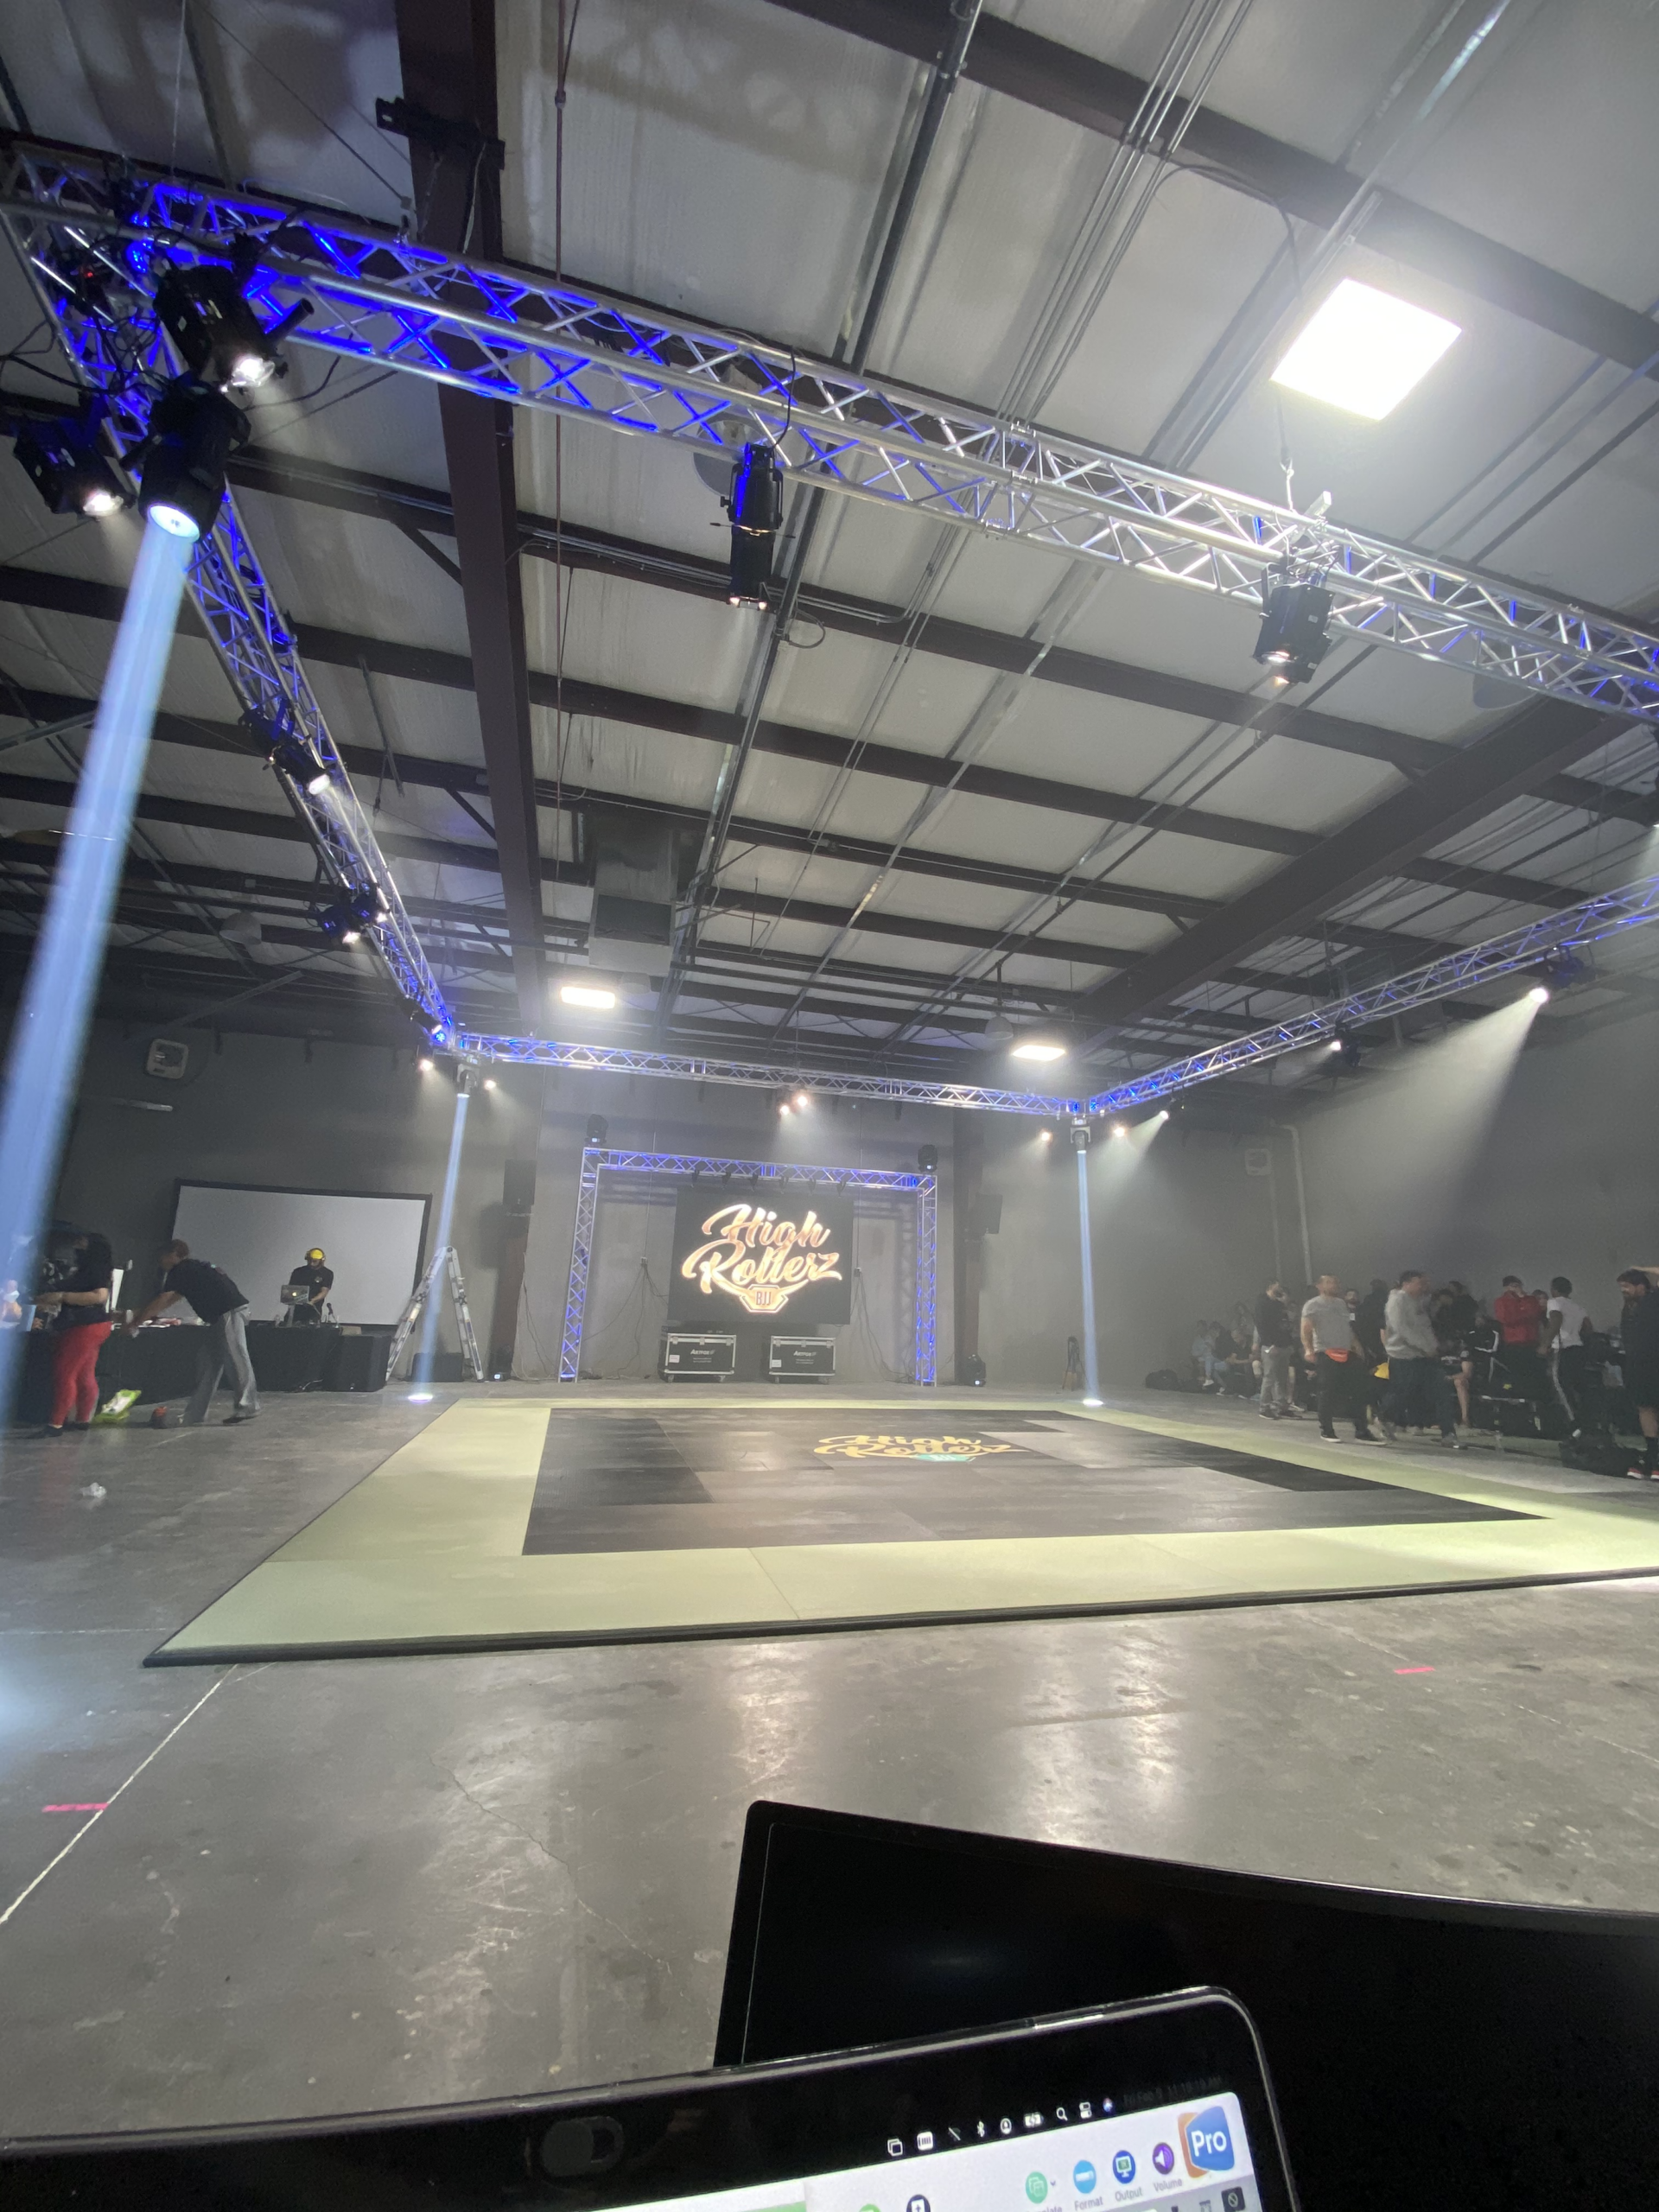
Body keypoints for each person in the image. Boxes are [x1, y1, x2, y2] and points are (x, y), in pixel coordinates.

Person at [124, 1240, 259, 1427]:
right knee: (209, 1363)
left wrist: (136, 1323)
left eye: (162, 1256)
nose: (160, 1261)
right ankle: (195, 1414)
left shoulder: (181, 1270)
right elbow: (170, 1300)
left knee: (235, 1356)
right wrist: (140, 1315)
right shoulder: (192, 1269)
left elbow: (163, 1299)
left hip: (229, 1311)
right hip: (221, 1316)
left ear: (173, 1254)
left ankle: (248, 1405)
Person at [34, 1230, 114, 1434]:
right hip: (95, 1325)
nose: (76, 1246)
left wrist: (62, 1296)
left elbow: (99, 1296)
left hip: (84, 1326)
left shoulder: (93, 1270)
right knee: (84, 1373)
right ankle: (82, 1419)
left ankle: (56, 1423)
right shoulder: (96, 1269)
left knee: (65, 1372)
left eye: (81, 1243)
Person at [1380, 1268, 1462, 1449]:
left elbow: (1425, 1327)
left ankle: (1448, 1433)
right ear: (1407, 1283)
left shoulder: (1419, 1302)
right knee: (1401, 1393)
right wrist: (1426, 1347)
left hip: (1425, 1356)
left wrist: (1433, 1347)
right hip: (1403, 1356)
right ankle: (1385, 1418)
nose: (1425, 1286)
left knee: (1441, 1391)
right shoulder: (1396, 1301)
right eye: (1421, 1283)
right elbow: (1402, 1329)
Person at [1301, 1273, 1380, 1443]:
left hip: (1346, 1351)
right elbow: (1306, 1328)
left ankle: (1361, 1430)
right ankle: (1327, 1430)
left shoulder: (1341, 1304)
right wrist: (1308, 1349)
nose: (1334, 1285)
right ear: (1320, 1286)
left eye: (1336, 1282)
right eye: (1329, 1282)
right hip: (1325, 1351)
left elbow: (1347, 1328)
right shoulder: (1312, 1305)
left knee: (1358, 1390)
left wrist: (1357, 1347)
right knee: (1327, 1392)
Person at [1615, 1268, 1659, 1480]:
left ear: (1641, 1286)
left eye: (1627, 1286)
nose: (1623, 1290)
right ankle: (1653, 1455)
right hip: (1637, 1365)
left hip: (1655, 1362)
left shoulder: (1654, 1299)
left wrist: (1643, 1268)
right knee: (1644, 1407)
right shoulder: (1629, 1308)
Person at [1542, 1275, 1592, 1430]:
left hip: (1562, 1348)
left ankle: (1573, 1422)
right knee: (1576, 1385)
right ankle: (1585, 1419)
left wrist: (1545, 1344)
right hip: (1577, 1348)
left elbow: (1555, 1321)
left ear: (1554, 1289)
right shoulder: (1578, 1307)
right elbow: (1588, 1328)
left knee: (1560, 1385)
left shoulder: (1554, 1302)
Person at [1493, 1274, 1548, 1400]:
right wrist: (1524, 1314)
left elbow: (1535, 1313)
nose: (1516, 1288)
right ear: (1506, 1288)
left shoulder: (1530, 1300)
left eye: (1518, 1285)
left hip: (1531, 1342)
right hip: (1514, 1343)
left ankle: (1535, 1400)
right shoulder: (1501, 1301)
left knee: (1533, 1374)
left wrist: (1523, 1301)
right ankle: (1518, 1399)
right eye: (1513, 1286)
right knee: (1517, 1373)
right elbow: (1506, 1319)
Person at [1254, 1280, 1298, 1421]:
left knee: (1282, 1377)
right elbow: (1261, 1325)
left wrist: (1289, 1343)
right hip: (1271, 1345)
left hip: (1283, 1344)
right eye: (1278, 1285)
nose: (1280, 1288)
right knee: (1269, 1377)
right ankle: (1264, 1407)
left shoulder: (1278, 1305)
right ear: (1271, 1286)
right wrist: (1269, 1343)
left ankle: (1282, 1406)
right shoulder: (1262, 1303)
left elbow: (1285, 1324)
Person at [285, 1247, 334, 1327]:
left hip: (313, 1310)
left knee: (311, 1329)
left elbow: (324, 1291)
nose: (311, 1263)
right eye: (309, 1260)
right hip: (296, 1310)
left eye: (314, 1261)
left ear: (321, 1261)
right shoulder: (298, 1272)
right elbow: (290, 1289)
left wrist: (312, 1301)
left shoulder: (327, 1273)